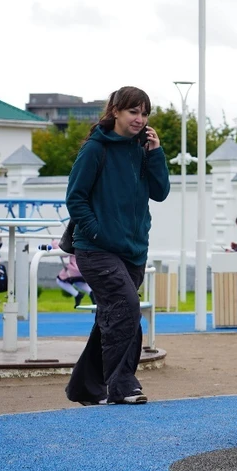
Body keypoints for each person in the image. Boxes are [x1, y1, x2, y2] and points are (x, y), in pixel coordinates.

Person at [64, 86, 170, 406]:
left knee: (112, 316)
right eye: (133, 112)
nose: (140, 119)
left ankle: (85, 387)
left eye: (144, 113)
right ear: (115, 112)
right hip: (96, 249)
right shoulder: (96, 149)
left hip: (133, 250)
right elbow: (75, 199)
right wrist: (97, 233)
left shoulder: (142, 149)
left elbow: (161, 191)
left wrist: (156, 153)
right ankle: (122, 386)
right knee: (127, 307)